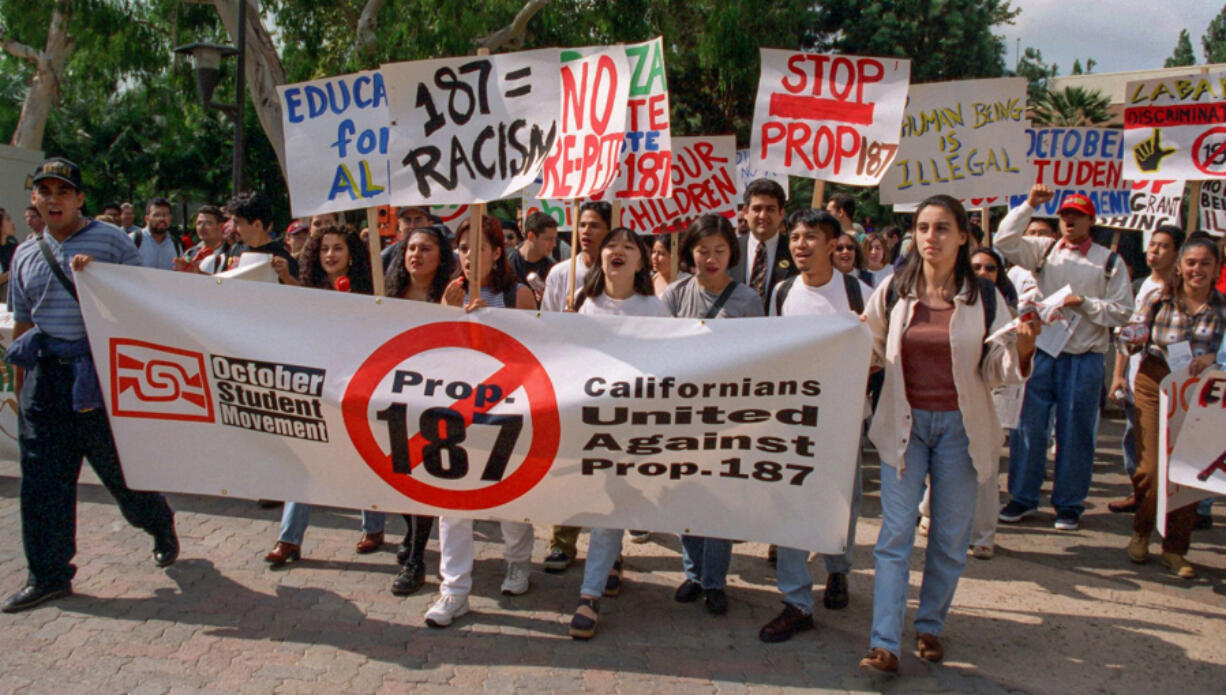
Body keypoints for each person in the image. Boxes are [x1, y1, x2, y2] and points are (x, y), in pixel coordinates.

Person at [858, 194, 1037, 673]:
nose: (930, 237)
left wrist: (1022, 349)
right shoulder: (895, 288)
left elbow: (997, 368)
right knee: (895, 534)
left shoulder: (985, 297)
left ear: (963, 236)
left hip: (961, 429)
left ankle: (930, 626)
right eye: (922, 228)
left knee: (949, 535)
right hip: (904, 427)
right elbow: (869, 342)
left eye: (941, 228)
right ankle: (885, 643)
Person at [2, 158, 178, 613]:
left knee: (122, 475)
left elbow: (142, 299)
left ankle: (158, 523)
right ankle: (48, 575)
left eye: (64, 191)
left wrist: (101, 278)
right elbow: (23, 326)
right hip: (45, 380)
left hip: (97, 378)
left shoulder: (112, 241)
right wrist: (23, 390)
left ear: (79, 199)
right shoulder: (25, 254)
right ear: (35, 200)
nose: (54, 198)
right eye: (46, 191)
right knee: (42, 484)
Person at [758, 209, 871, 643]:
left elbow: (878, 356)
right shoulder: (783, 292)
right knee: (789, 503)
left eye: (811, 237)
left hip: (844, 417)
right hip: (792, 419)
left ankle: (837, 568)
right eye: (796, 237)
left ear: (832, 244)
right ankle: (796, 600)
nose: (800, 245)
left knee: (845, 501)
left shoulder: (859, 293)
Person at [995, 185, 1132, 530]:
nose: (1069, 220)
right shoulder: (1045, 250)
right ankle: (1023, 497)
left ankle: (1069, 504)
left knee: (1076, 431)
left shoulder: (1109, 262)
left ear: (1091, 220)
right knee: (1029, 427)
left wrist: (1083, 304)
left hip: (1084, 357)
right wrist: (1028, 204)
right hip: (1043, 349)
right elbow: (1004, 241)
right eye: (1065, 215)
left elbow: (1122, 312)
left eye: (1077, 216)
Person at [427, 215, 534, 628]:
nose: (470, 255)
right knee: (452, 505)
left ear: (497, 251)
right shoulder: (450, 294)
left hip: (507, 414)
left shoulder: (519, 294)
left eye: (479, 247)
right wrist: (453, 318)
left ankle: (518, 562)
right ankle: (454, 590)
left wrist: (492, 324)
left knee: (509, 497)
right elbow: (436, 357)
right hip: (457, 417)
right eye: (463, 247)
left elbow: (533, 357)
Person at [566, 228, 669, 640]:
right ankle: (596, 584)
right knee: (605, 504)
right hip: (595, 423)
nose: (618, 251)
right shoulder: (583, 306)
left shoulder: (656, 310)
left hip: (640, 423)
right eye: (612, 244)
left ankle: (598, 580)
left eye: (629, 246)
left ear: (642, 261)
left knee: (619, 500)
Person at [662, 213, 764, 616]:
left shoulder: (748, 301)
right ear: (690, 252)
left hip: (728, 415)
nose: (711, 258)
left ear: (731, 254)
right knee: (686, 494)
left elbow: (758, 358)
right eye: (703, 250)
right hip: (682, 414)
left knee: (720, 498)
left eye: (719, 250)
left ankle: (715, 580)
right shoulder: (673, 295)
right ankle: (693, 572)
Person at [262, 225, 378, 569]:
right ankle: (289, 539)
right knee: (307, 461)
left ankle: (374, 527)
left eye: (338, 248)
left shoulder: (369, 294)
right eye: (325, 248)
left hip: (355, 388)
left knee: (362, 456)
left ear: (351, 254)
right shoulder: (309, 290)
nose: (330, 255)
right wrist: (286, 278)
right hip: (316, 388)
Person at [1120, 236, 1225, 579]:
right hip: (1155, 383)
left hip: (1200, 394)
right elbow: (1130, 335)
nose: (1197, 270)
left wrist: (1214, 358)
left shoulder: (1223, 307)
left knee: (1186, 471)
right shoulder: (1158, 299)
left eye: (1205, 263)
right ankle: (1141, 531)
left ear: (1216, 268)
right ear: (1180, 265)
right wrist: (1131, 337)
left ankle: (1176, 549)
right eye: (1191, 262)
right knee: (1150, 467)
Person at [380, 224, 456, 595]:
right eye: (411, 248)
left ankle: (416, 560)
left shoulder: (453, 296)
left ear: (441, 257)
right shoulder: (387, 296)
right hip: (392, 401)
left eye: (425, 249)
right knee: (397, 475)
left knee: (422, 480)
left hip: (434, 404)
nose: (416, 255)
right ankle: (411, 533)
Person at [541, 201, 612, 573]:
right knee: (569, 465)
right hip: (571, 382)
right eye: (582, 224)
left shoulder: (620, 272)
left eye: (595, 225)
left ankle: (611, 551)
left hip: (611, 385)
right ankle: (562, 542)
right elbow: (547, 329)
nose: (586, 232)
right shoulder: (559, 274)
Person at [1106, 225, 1183, 515]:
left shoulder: (1183, 289)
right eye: (1153, 245)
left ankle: (1178, 503)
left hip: (1172, 378)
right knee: (1134, 438)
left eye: (1164, 246)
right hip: (1137, 377)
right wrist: (1117, 376)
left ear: (1177, 253)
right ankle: (1140, 492)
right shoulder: (1136, 287)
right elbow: (1126, 336)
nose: (1155, 251)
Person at [729, 179, 797, 309]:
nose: (763, 215)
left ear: (781, 214)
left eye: (770, 209)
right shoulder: (729, 250)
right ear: (745, 212)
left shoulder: (796, 252)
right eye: (757, 208)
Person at [227, 191, 300, 284]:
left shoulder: (282, 259)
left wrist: (287, 277)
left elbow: (299, 294)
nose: (232, 228)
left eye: (237, 223)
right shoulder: (235, 250)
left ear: (257, 225)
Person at [506, 211, 558, 302]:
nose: (554, 244)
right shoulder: (506, 261)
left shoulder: (552, 270)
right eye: (548, 239)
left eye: (554, 239)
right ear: (531, 236)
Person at [176, 205, 230, 274]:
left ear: (220, 226)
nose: (202, 227)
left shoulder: (230, 252)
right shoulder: (191, 253)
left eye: (208, 223)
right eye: (199, 223)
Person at [131, 198, 182, 270]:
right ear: (147, 219)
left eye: (165, 215)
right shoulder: (134, 240)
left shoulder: (176, 245)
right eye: (156, 215)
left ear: (170, 219)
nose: (161, 219)